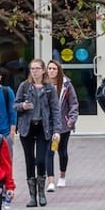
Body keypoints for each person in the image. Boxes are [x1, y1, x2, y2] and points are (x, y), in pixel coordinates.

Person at [14, 58, 60, 207]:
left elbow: (55, 109)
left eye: (37, 68)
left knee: (41, 160)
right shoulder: (24, 86)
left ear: (43, 70)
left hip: (43, 127)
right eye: (32, 69)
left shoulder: (48, 88)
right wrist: (22, 106)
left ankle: (41, 192)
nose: (34, 71)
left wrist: (57, 130)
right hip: (27, 127)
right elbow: (15, 105)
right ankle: (32, 196)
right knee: (29, 160)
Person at [46, 60, 78, 191]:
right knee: (50, 151)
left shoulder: (66, 85)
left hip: (63, 125)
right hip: (49, 125)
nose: (51, 71)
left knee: (62, 151)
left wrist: (71, 119)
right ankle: (51, 180)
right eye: (49, 68)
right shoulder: (44, 85)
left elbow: (74, 103)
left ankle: (62, 176)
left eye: (54, 69)